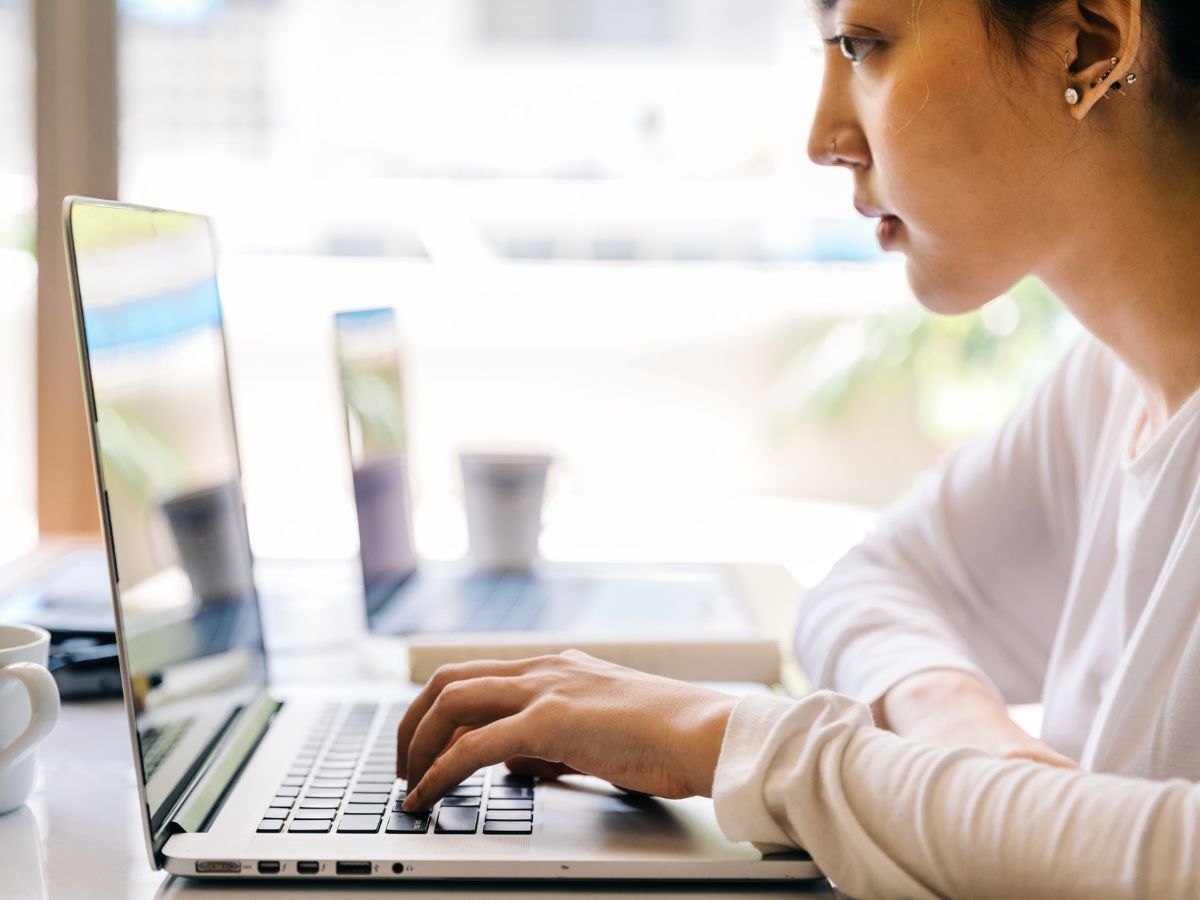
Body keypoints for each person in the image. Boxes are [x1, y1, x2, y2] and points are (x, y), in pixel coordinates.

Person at [394, 0, 1200, 895]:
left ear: (1086, 43)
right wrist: (975, 757)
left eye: (862, 44)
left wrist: (735, 746)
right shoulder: (1108, 386)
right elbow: (866, 586)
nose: (823, 136)